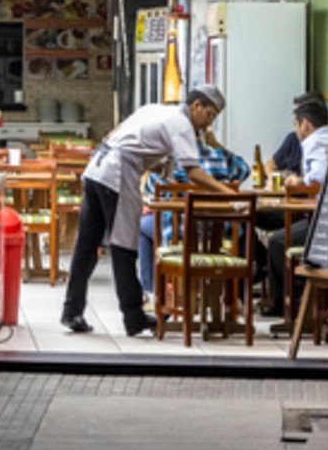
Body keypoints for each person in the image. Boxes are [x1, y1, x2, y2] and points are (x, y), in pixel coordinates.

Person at [60, 86, 235, 336]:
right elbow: (193, 171)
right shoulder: (181, 123)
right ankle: (133, 317)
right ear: (196, 105)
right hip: (117, 175)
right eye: (209, 115)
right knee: (124, 246)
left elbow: (116, 135)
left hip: (96, 169)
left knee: (86, 246)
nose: (208, 124)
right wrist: (231, 195)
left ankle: (71, 311)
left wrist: (153, 165)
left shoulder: (154, 109)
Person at [137, 131, 251, 294]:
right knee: (241, 232)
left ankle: (151, 291)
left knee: (142, 227)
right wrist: (217, 145)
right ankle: (233, 297)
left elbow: (150, 188)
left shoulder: (171, 161)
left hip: (179, 235)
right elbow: (244, 170)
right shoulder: (222, 157)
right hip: (220, 234)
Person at [260, 97, 328, 316]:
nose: (296, 131)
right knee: (282, 236)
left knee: (278, 241)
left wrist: (300, 182)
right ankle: (294, 299)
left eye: (296, 125)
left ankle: (290, 304)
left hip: (326, 220)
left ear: (305, 124)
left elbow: (318, 177)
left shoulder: (314, 141)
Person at [264, 92, 327, 178]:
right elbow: (270, 164)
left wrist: (298, 182)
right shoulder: (293, 139)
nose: (295, 117)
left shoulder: (326, 145)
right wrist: (273, 177)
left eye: (299, 113)